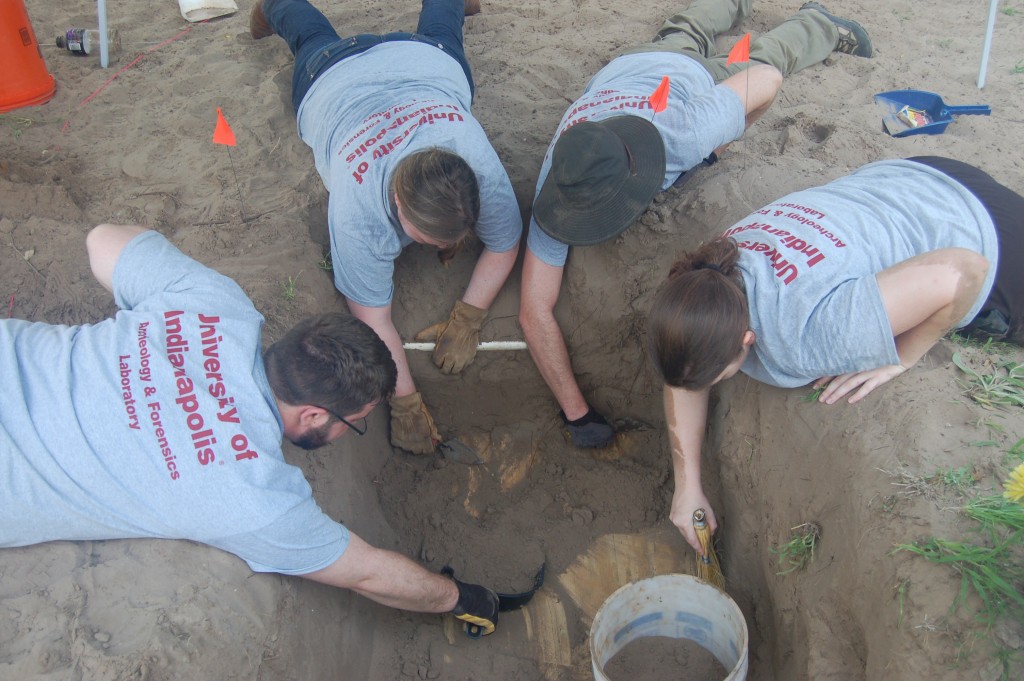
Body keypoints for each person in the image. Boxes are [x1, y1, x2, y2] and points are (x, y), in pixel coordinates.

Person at [0, 224, 500, 636]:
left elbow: (101, 240)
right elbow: (368, 572)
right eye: (357, 422)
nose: (357, 429)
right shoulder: (249, 494)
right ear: (313, 416)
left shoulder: (219, 304)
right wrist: (460, 597)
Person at [519, 0, 872, 448]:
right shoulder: (566, 180)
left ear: (637, 177)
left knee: (760, 58)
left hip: (695, 85)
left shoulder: (680, 135)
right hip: (634, 62)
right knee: (682, 33)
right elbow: (534, 311)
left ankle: (818, 23)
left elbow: (766, 83)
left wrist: (720, 146)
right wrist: (578, 414)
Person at [647, 157, 1024, 551]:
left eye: (720, 375)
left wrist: (902, 357)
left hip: (988, 236)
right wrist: (687, 487)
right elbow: (687, 369)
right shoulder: (711, 272)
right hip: (916, 176)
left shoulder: (811, 335)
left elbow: (965, 271)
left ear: (746, 340)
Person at [250, 0, 522, 455]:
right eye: (428, 240)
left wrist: (469, 318)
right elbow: (374, 321)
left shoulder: (476, 166)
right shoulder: (357, 214)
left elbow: (506, 241)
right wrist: (406, 404)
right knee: (310, 38)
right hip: (330, 79)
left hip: (424, 61)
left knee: (443, 29)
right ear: (397, 203)